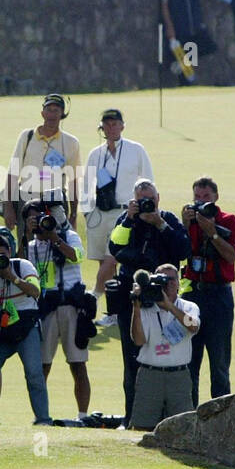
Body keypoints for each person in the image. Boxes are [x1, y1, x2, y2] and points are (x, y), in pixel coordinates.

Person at [107, 179, 191, 419]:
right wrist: (128, 219)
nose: (146, 205)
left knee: (168, 352)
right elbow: (114, 247)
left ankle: (171, 417)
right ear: (134, 200)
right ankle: (132, 416)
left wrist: (160, 224)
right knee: (132, 359)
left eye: (150, 200)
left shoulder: (168, 220)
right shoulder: (127, 221)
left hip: (164, 300)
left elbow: (184, 250)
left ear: (158, 198)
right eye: (141, 200)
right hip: (133, 299)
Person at [0, 235, 51, 424]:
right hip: (1, 326)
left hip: (26, 324)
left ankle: (43, 419)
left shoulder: (23, 266)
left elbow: (36, 291)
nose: (0, 260)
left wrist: (12, 277)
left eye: (3, 255)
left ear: (10, 253)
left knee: (34, 372)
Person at [82, 108, 153, 324]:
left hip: (125, 212)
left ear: (122, 126)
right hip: (99, 212)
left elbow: (148, 180)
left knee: (112, 258)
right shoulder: (96, 153)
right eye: (107, 124)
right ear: (101, 127)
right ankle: (114, 312)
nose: (111, 127)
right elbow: (86, 184)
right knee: (105, 263)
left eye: (115, 123)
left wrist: (143, 209)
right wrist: (87, 213)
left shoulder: (135, 149)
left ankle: (93, 296)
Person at [22, 199, 90, 419]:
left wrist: (54, 237)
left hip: (71, 305)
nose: (38, 222)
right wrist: (27, 235)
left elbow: (77, 256)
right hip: (46, 308)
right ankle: (41, 415)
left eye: (40, 216)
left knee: (78, 364)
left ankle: (82, 415)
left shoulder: (69, 237)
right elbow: (23, 268)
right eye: (32, 218)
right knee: (43, 365)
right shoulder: (31, 246)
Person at [180, 176, 235, 405]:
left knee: (220, 360)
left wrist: (212, 232)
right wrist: (186, 225)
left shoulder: (229, 221)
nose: (201, 201)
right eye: (197, 196)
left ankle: (222, 413)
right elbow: (179, 252)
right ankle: (188, 412)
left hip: (219, 295)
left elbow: (231, 256)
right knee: (189, 360)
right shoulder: (190, 220)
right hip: (193, 294)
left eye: (206, 197)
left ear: (216, 197)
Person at [2, 93, 81, 245]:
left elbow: (74, 180)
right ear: (42, 113)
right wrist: (9, 207)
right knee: (27, 245)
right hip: (27, 200)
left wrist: (73, 214)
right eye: (49, 110)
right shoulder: (27, 136)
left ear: (62, 114)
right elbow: (13, 173)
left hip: (56, 202)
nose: (52, 115)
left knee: (57, 246)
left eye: (56, 110)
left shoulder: (71, 142)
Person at [128, 264, 200, 430]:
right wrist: (136, 307)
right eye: (163, 280)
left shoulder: (188, 307)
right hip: (150, 374)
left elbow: (193, 326)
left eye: (171, 279)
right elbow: (138, 341)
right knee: (142, 427)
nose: (168, 284)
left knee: (183, 428)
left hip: (178, 375)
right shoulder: (146, 308)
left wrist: (170, 307)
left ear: (178, 282)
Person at [161, 0, 217, 84]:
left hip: (194, 27)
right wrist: (170, 28)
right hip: (179, 28)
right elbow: (164, 5)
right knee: (187, 73)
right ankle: (184, 79)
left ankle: (180, 66)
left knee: (208, 47)